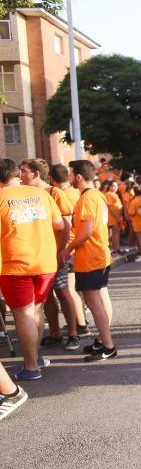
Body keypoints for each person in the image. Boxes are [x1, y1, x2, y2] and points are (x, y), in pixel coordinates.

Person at [0, 159, 64, 379]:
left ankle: (31, 367)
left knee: (24, 314)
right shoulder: (41, 194)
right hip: (45, 262)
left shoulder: (0, 198)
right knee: (36, 311)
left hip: (16, 264)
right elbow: (60, 224)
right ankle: (35, 357)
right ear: (16, 174)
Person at [19, 159, 78, 351]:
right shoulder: (28, 194)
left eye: (24, 171)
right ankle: (54, 333)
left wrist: (61, 253)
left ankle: (73, 333)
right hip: (37, 255)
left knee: (62, 291)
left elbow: (66, 226)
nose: (20, 175)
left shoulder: (55, 193)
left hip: (55, 253)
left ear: (36, 174)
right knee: (45, 296)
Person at [63, 160, 116, 362]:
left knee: (94, 303)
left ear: (77, 176)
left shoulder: (87, 198)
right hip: (98, 254)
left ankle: (108, 346)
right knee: (97, 302)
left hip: (91, 257)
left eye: (70, 174)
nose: (69, 178)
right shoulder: (96, 195)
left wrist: (67, 249)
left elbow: (85, 232)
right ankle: (102, 341)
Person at [48, 163, 89, 337]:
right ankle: (80, 321)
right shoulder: (75, 192)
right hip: (77, 242)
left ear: (51, 179)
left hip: (69, 244)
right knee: (72, 289)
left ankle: (80, 324)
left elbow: (64, 223)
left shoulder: (60, 194)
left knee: (69, 290)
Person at [101, 181, 123, 254]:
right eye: (114, 186)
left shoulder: (115, 194)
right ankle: (115, 249)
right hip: (112, 217)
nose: (116, 187)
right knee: (114, 234)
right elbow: (110, 207)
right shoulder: (108, 194)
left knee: (116, 234)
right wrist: (117, 217)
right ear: (109, 187)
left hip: (117, 217)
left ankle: (116, 248)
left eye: (117, 186)